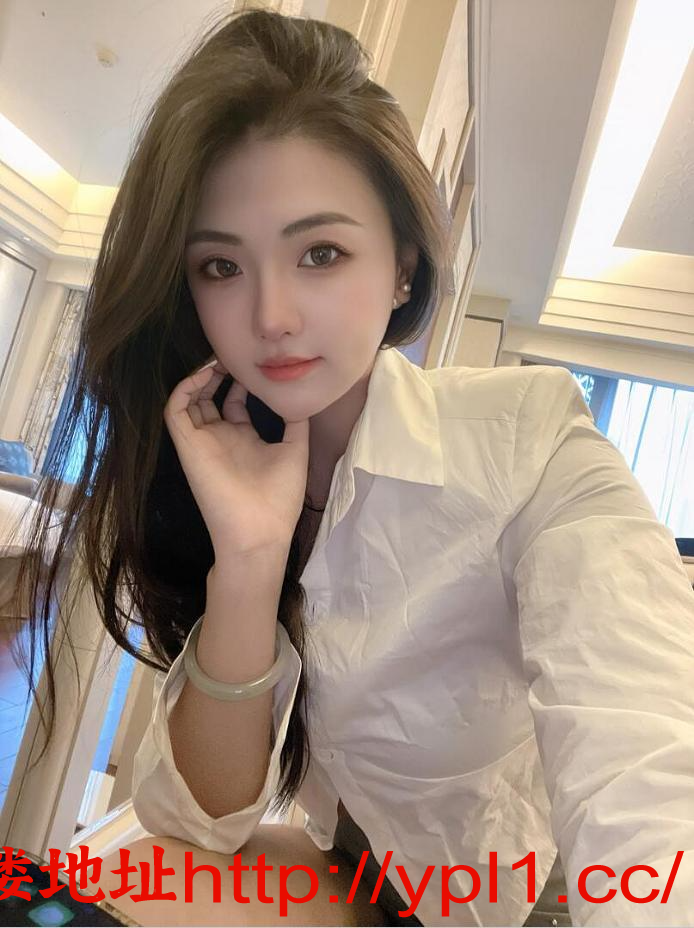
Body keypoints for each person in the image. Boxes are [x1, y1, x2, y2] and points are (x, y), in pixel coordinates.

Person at [13, 6, 694, 927]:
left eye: (321, 253)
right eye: (221, 267)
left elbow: (647, 752)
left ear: (403, 267)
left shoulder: (530, 442)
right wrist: (250, 558)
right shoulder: (223, 454)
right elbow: (201, 819)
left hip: (502, 904)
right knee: (53, 897)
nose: (272, 317)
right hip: (353, 868)